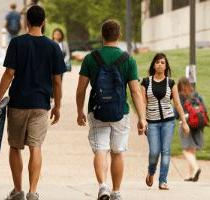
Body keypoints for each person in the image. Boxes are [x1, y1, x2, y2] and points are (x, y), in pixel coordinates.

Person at [0, 5, 65, 200]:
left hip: (18, 103)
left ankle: (18, 190)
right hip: (41, 104)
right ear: (44, 22)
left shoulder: (17, 43)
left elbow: (8, 74)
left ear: (26, 22)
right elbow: (57, 80)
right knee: (36, 147)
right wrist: (58, 106)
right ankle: (32, 191)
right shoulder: (53, 46)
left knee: (15, 147)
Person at [76, 19, 147, 200]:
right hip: (120, 111)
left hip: (97, 110)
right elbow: (135, 91)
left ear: (102, 35)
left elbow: (81, 89)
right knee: (117, 152)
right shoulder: (128, 60)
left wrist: (79, 111)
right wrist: (142, 117)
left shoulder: (91, 58)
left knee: (101, 149)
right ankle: (116, 192)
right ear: (119, 35)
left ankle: (103, 186)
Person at [141, 53, 190, 190]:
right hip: (152, 122)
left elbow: (178, 104)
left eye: (162, 62)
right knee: (154, 152)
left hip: (168, 121)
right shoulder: (146, 82)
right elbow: (142, 103)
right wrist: (142, 121)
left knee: (166, 151)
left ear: (166, 66)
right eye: (157, 62)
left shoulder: (171, 83)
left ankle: (163, 180)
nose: (160, 65)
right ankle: (151, 172)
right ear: (153, 65)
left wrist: (184, 122)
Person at [177, 77, 208, 182]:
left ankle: (196, 168)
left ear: (179, 85)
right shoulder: (196, 95)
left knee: (185, 150)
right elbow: (204, 109)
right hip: (198, 125)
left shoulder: (180, 96)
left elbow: (177, 111)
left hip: (185, 124)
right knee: (192, 150)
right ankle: (192, 175)